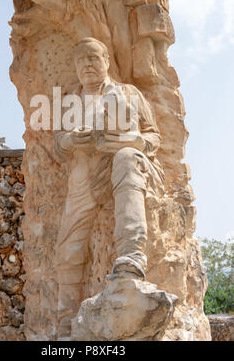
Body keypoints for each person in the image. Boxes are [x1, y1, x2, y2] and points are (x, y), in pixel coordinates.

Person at [54, 37, 164, 339]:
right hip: (82, 176)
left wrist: (136, 141)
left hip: (121, 166)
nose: (87, 64)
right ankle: (66, 321)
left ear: (106, 61)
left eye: (93, 58)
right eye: (81, 60)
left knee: (127, 157)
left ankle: (132, 258)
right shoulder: (69, 101)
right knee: (69, 249)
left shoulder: (128, 93)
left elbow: (154, 135)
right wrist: (69, 140)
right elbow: (57, 143)